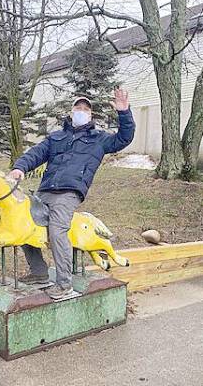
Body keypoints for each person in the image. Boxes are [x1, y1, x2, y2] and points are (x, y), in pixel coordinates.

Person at [7, 87, 135, 299]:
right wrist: (20, 167)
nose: (81, 111)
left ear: (91, 115)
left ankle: (64, 285)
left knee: (57, 231)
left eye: (86, 109)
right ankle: (39, 273)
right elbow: (35, 154)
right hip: (45, 190)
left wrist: (124, 112)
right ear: (71, 112)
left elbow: (124, 138)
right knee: (23, 225)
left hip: (69, 193)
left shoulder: (100, 139)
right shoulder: (56, 137)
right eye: (78, 108)